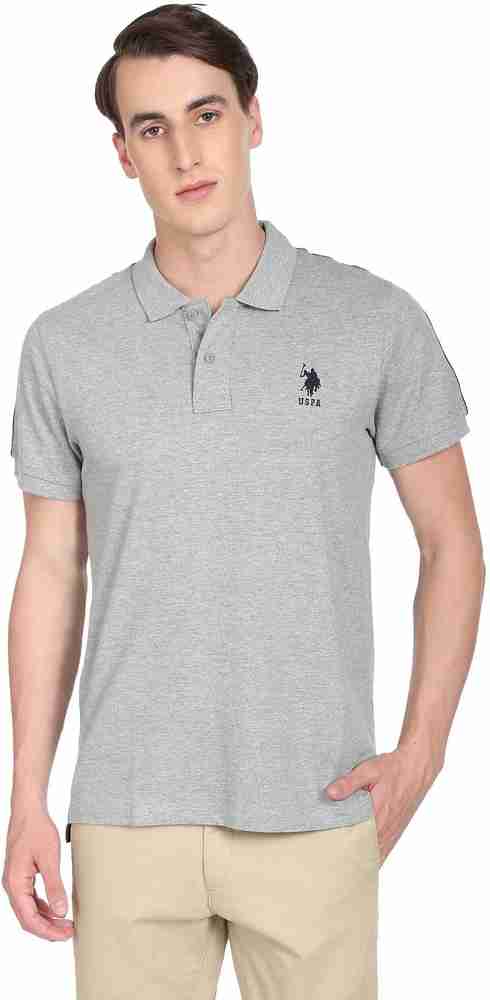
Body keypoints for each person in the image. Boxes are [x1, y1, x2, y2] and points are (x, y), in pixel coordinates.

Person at [3, 4, 484, 999]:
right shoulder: (64, 345)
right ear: (122, 154)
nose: (185, 151)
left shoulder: (373, 320)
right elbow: (50, 567)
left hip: (317, 805)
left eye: (206, 113)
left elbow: (451, 543)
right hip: (127, 816)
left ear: (253, 119)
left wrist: (423, 752)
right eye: (151, 127)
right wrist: (28, 795)